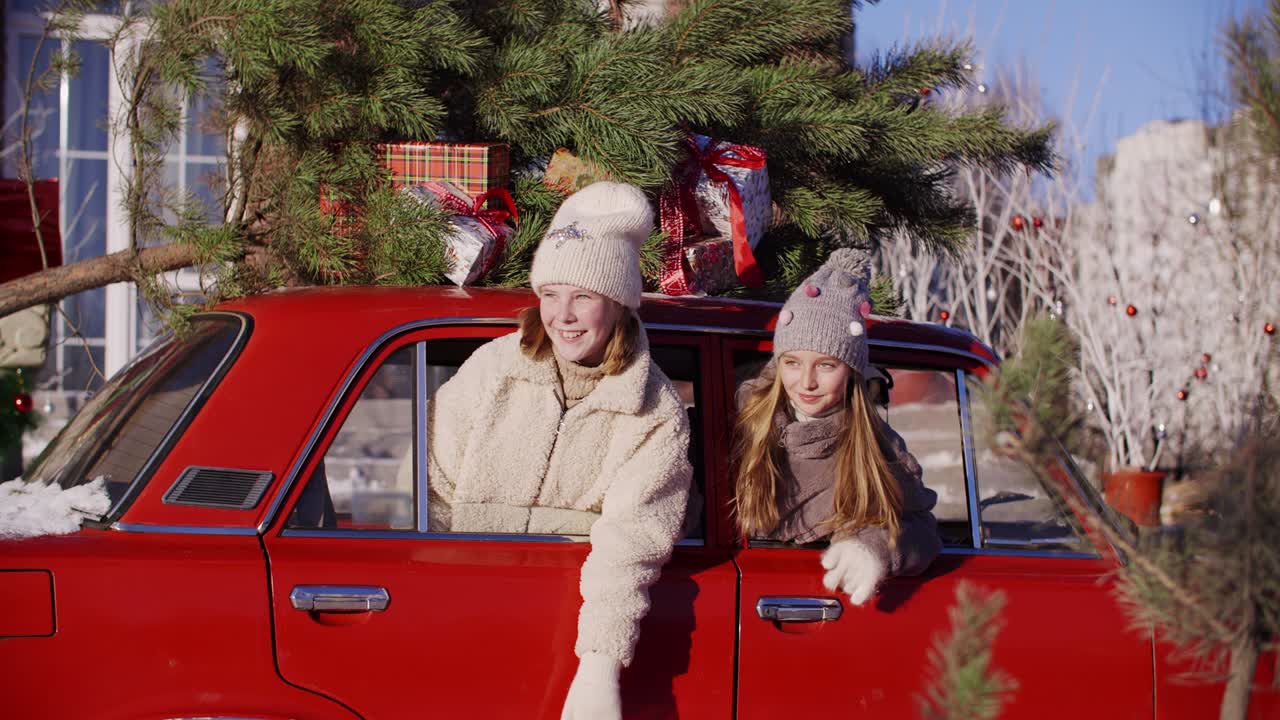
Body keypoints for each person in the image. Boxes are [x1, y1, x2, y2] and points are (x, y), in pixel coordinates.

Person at [425, 182, 693, 720]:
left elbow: (631, 542)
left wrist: (598, 669)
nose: (563, 315)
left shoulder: (653, 409)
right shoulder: (492, 368)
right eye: (550, 294)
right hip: (456, 617)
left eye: (584, 296)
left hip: (563, 631)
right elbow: (435, 488)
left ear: (617, 304)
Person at [733, 248, 941, 605]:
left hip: (822, 616)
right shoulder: (741, 423)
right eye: (793, 363)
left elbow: (922, 532)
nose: (807, 382)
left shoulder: (877, 446)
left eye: (827, 365)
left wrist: (873, 549)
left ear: (852, 371)